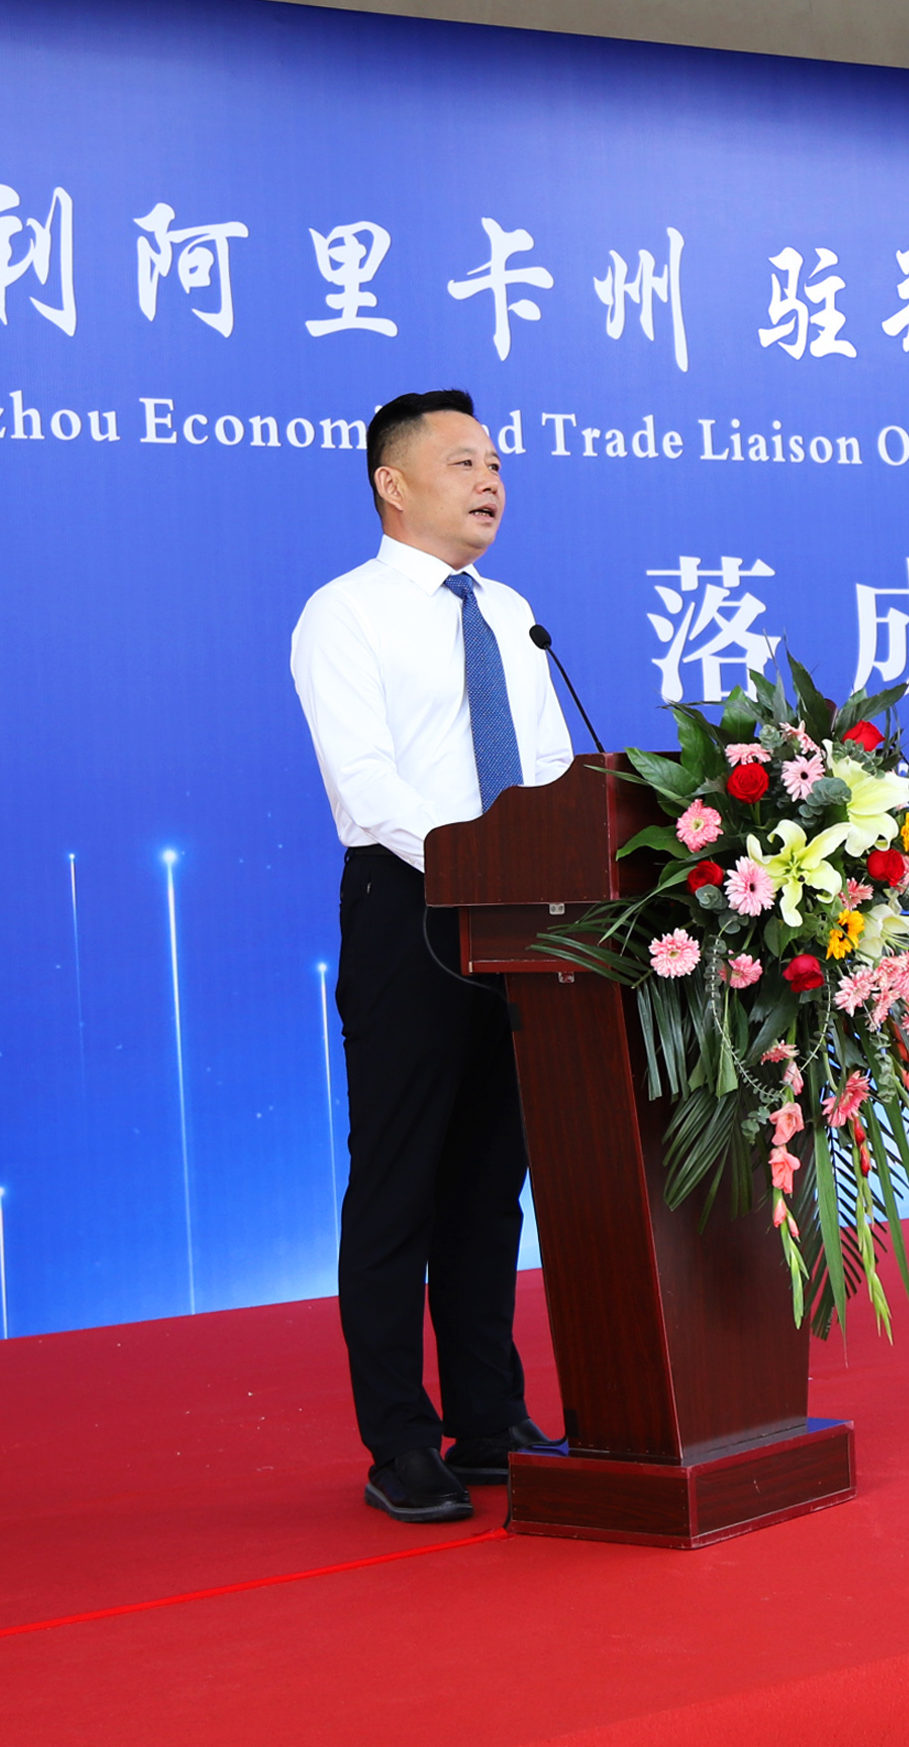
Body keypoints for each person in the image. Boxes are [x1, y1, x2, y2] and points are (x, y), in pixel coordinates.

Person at [288, 388, 575, 1523]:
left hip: (517, 917)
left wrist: (543, 864)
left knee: (490, 1183)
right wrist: (477, 862)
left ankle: (488, 1417)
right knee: (399, 1182)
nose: (490, 479)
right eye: (462, 461)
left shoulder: (511, 613)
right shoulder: (343, 614)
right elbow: (367, 786)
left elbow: (547, 766)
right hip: (409, 907)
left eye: (495, 461)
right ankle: (400, 1440)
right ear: (392, 483)